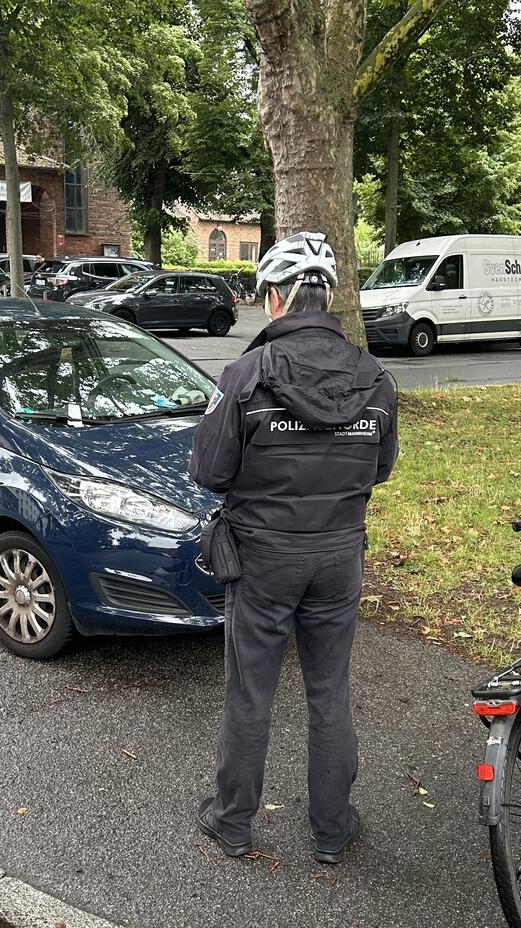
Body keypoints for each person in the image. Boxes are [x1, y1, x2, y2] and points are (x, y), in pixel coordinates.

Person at [189, 231, 398, 864]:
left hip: (263, 558)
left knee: (251, 692)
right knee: (329, 690)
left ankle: (232, 822)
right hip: (339, 555)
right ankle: (332, 831)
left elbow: (209, 470)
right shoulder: (375, 378)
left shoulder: (245, 375)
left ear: (275, 297)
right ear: (326, 296)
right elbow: (381, 468)